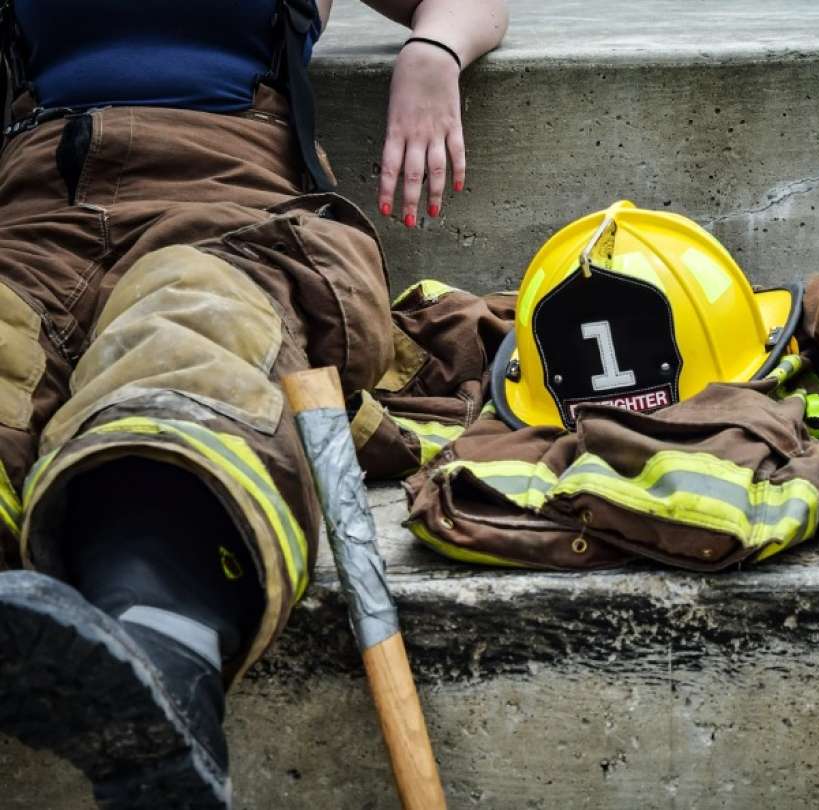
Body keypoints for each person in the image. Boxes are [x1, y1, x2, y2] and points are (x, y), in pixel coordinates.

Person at [0, 0, 508, 807]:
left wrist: (433, 51)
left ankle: (162, 666)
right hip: (29, 220)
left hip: (228, 209)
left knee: (191, 335)